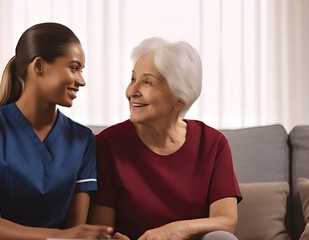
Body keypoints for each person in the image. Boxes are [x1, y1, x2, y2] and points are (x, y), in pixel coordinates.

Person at [0, 22, 113, 240]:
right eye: (73, 68)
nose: (81, 80)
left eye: (82, 70)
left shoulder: (82, 139)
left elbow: (75, 231)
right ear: (39, 66)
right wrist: (57, 237)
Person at [89, 37, 242, 240]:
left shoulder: (213, 144)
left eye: (147, 82)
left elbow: (226, 221)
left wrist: (177, 229)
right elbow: (102, 229)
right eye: (133, 79)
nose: (131, 92)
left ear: (179, 97)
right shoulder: (108, 144)